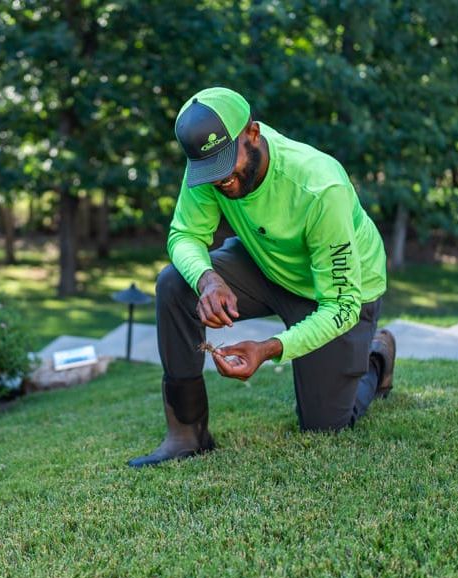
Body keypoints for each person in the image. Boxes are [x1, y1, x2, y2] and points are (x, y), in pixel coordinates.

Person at [128, 87, 396, 468]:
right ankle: (187, 434)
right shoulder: (207, 168)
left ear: (253, 133)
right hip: (267, 264)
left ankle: (377, 357)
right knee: (175, 284)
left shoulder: (319, 186)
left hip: (337, 293)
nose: (219, 179)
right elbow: (184, 235)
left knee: (324, 426)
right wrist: (207, 279)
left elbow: (342, 304)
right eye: (208, 168)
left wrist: (269, 348)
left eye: (225, 162)